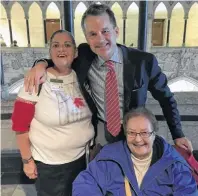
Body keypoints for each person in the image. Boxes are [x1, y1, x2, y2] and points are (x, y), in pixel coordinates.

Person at [24, 3, 192, 151]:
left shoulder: (143, 62)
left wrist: (178, 134)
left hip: (135, 135)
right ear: (87, 38)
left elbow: (166, 98)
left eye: (105, 31)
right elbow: (61, 58)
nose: (100, 39)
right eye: (93, 34)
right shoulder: (83, 56)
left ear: (116, 31)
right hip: (101, 134)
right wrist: (40, 64)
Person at [11, 30, 95, 196]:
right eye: (56, 45)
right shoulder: (36, 81)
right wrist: (27, 161)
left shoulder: (82, 77)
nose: (61, 49)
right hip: (49, 165)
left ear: (76, 52)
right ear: (50, 52)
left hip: (81, 161)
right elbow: (20, 126)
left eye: (67, 45)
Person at [72, 107, 197, 195]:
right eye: (131, 133)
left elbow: (187, 191)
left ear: (154, 134)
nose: (138, 139)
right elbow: (85, 183)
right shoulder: (109, 157)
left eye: (144, 133)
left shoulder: (173, 163)